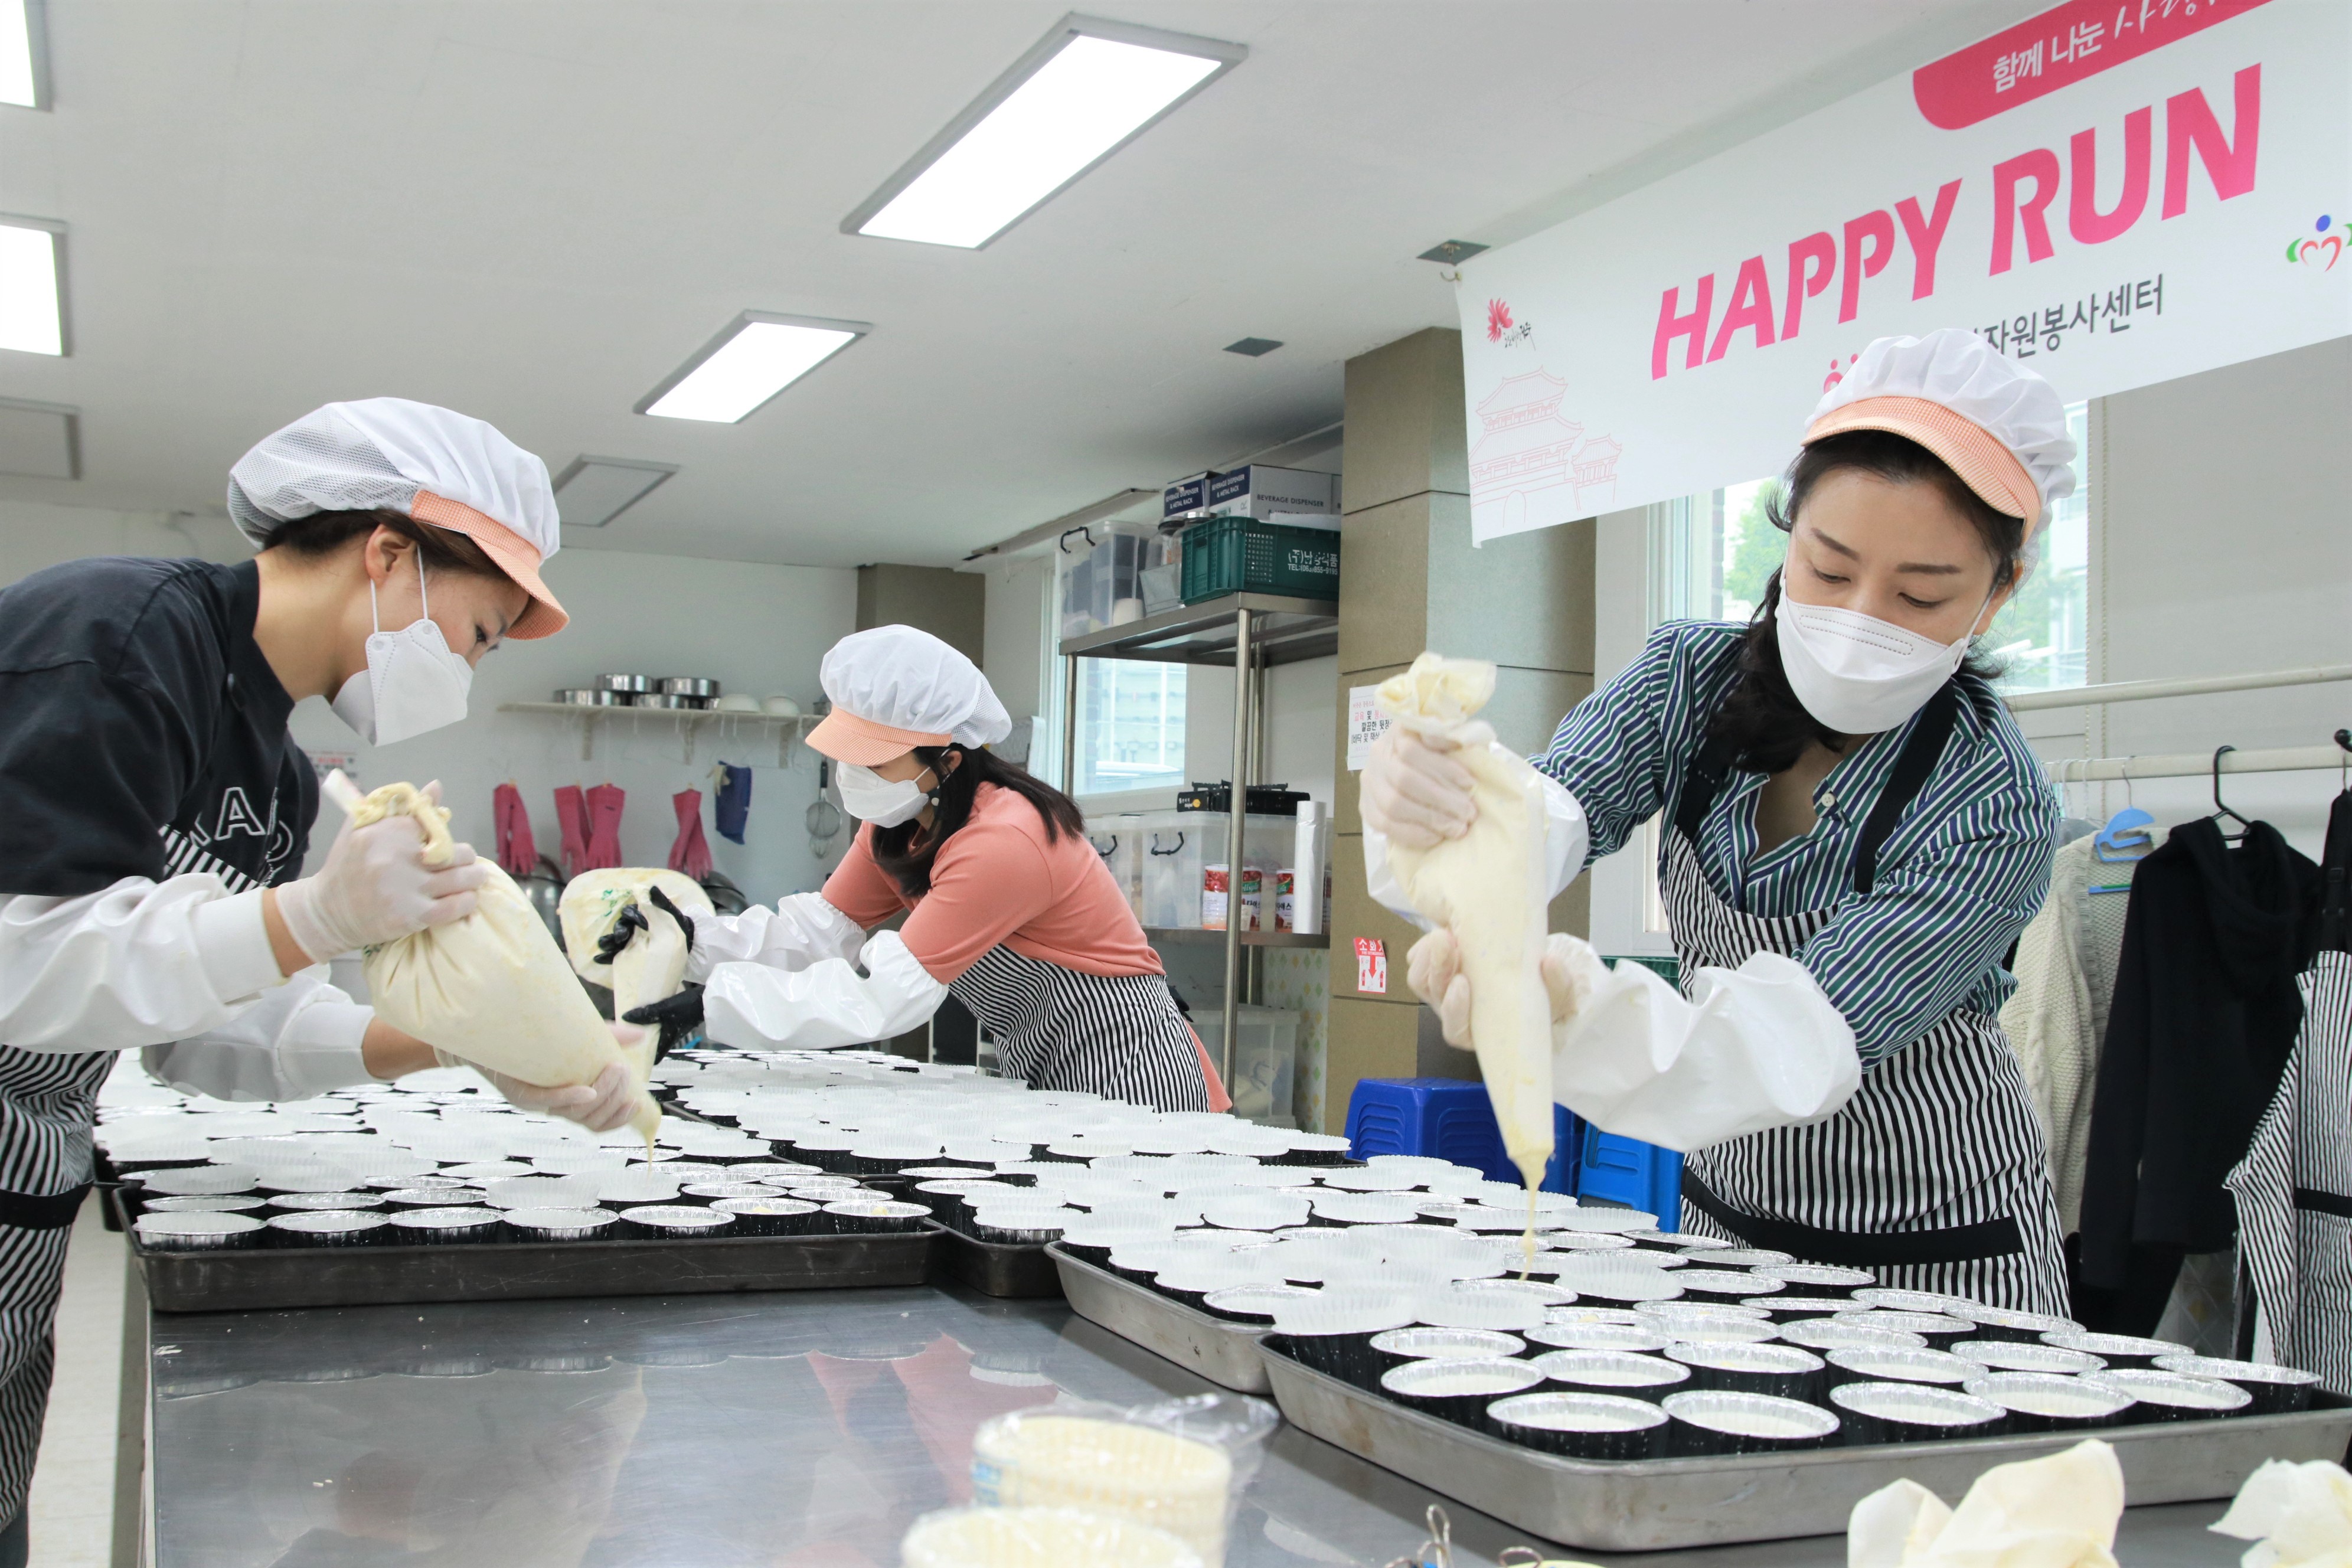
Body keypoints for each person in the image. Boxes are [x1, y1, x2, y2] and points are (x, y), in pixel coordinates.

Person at [0, 398, 632, 1564]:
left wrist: (465, 1039)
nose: (467, 670)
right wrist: (313, 914)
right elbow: (25, 959)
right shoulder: (121, 638)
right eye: (479, 633)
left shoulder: (278, 776)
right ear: (387, 553)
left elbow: (206, 1030)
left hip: (24, 1186)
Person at [1364, 329, 2076, 1314]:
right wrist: (1444, 820)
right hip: (1728, 1225)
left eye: (1920, 595)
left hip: (1941, 1255)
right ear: (1786, 535)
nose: (1860, 620)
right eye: (1829, 570)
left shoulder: (1993, 801)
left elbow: (1793, 1039)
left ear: (1998, 594)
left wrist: (1575, 1015)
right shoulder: (1687, 680)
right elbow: (1547, 815)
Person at [628, 625, 1229, 1113]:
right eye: (848, 757)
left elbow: (883, 994)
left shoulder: (1004, 841)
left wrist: (712, 1004)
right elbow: (818, 932)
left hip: (1129, 1070)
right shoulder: (901, 821)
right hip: (1038, 1062)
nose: (852, 775)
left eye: (874, 761)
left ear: (948, 761)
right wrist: (687, 941)